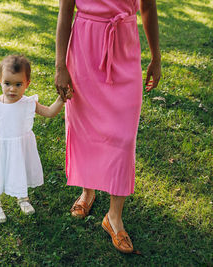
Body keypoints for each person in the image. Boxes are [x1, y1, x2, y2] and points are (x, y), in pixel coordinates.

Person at [55, 0, 161, 253]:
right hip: (84, 49)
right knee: (85, 128)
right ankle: (87, 191)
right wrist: (60, 65)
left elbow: (148, 7)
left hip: (124, 47)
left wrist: (156, 57)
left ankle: (114, 216)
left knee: (124, 137)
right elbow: (65, 11)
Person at [0, 55, 65, 223]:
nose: (12, 89)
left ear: (27, 84)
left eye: (18, 84)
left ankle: (23, 198)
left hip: (21, 147)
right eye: (7, 84)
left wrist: (61, 99)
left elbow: (50, 112)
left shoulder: (28, 103)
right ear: (0, 80)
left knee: (20, 169)